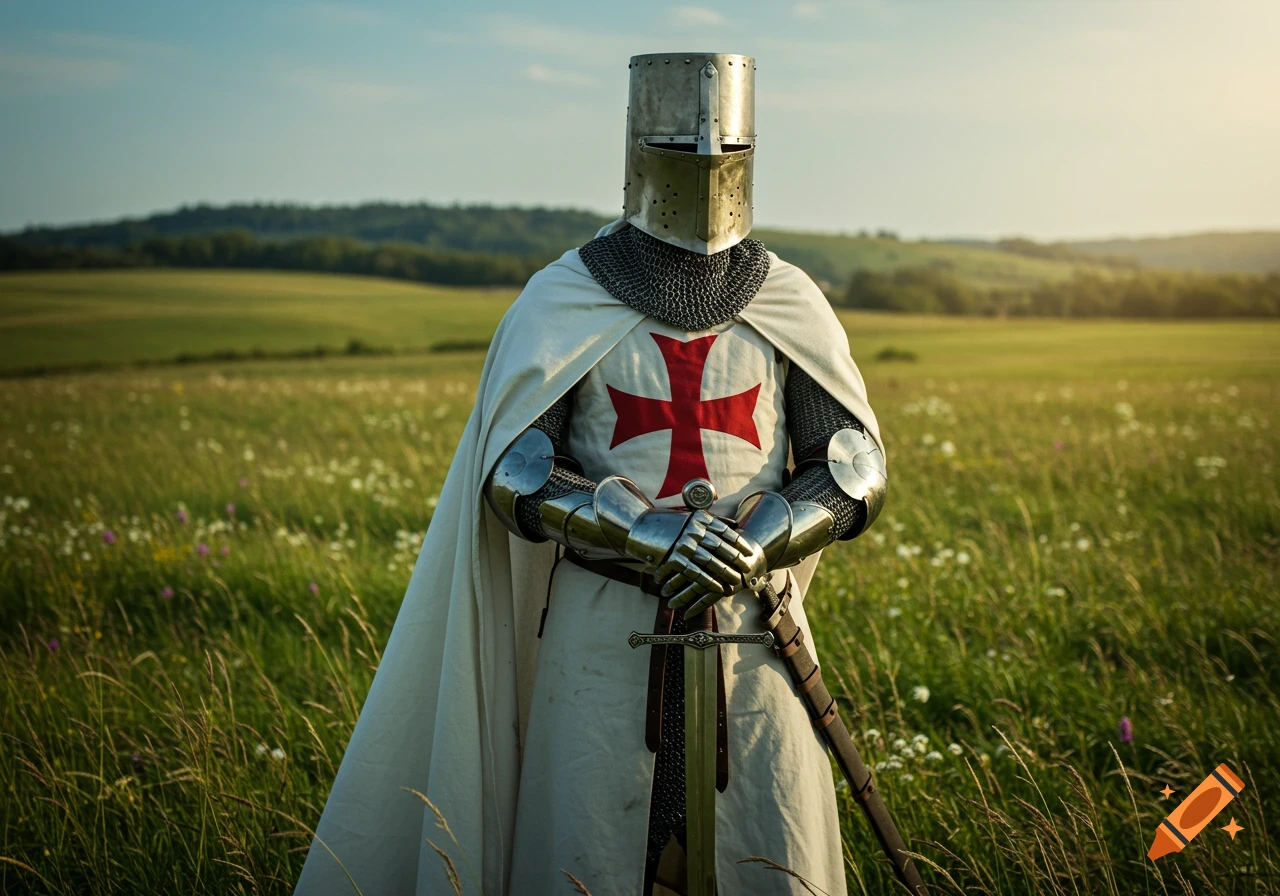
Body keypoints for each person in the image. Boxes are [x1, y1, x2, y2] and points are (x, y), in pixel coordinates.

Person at [295, 52, 886, 896]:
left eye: (723, 153)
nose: (707, 170)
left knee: (769, 848)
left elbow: (852, 468)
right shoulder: (565, 297)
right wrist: (651, 532)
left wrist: (754, 538)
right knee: (589, 850)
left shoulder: (787, 298)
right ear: (643, 151)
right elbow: (515, 470)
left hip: (752, 631)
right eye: (686, 152)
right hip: (603, 633)